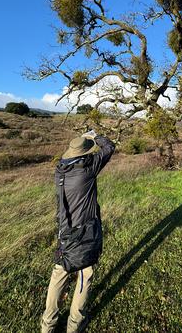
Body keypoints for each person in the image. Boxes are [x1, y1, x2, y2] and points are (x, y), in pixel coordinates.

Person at [41, 131, 115, 333]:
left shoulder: (60, 171)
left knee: (59, 274)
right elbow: (109, 147)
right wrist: (94, 136)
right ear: (85, 154)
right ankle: (75, 324)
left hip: (64, 230)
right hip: (85, 233)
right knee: (85, 273)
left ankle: (47, 326)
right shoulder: (88, 169)